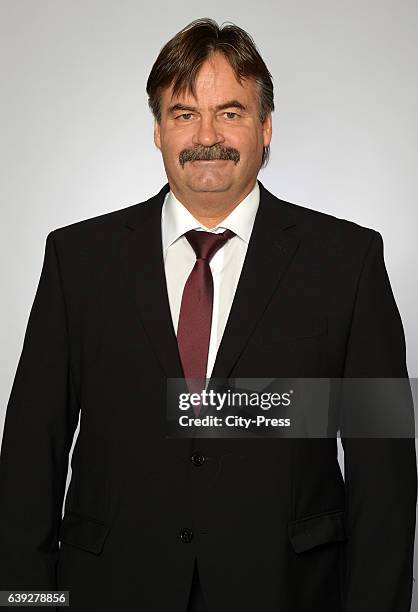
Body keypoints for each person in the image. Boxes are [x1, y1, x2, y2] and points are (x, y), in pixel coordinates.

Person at [0, 17, 416, 612]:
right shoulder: (77, 260)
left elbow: (387, 475)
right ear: (158, 131)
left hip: (289, 591)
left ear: (266, 128)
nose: (207, 135)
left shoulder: (348, 261)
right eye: (184, 112)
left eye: (231, 112)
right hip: (110, 590)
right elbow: (29, 456)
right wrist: (24, 603)